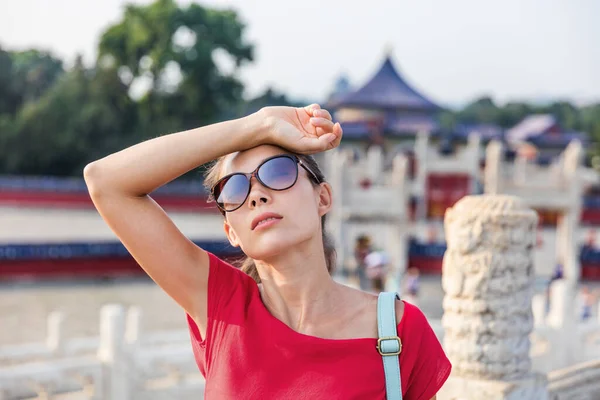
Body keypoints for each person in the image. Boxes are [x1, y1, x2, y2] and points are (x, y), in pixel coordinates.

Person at [84, 104, 451, 399]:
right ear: (231, 232)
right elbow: (106, 182)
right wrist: (257, 125)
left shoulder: (399, 329)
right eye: (234, 190)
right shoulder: (221, 307)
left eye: (277, 173)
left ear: (322, 197)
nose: (257, 195)